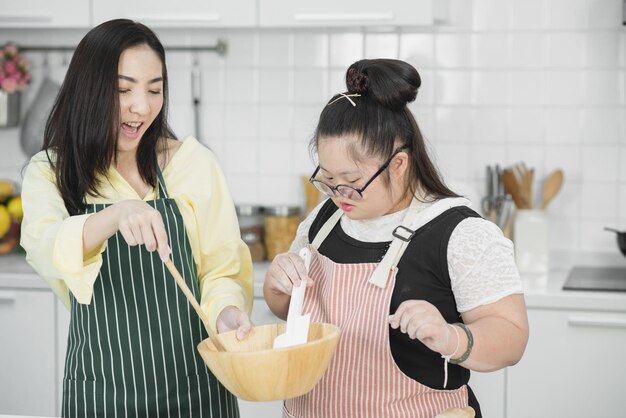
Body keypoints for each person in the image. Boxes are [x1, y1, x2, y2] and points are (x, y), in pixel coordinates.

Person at [263, 58, 529, 418]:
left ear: (399, 164)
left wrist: (451, 337)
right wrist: (278, 284)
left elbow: (511, 338)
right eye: (327, 179)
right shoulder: (323, 219)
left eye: (353, 182)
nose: (340, 194)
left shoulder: (458, 233)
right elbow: (285, 307)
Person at [20, 19, 253, 417]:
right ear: (88, 90)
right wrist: (115, 216)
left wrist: (227, 312)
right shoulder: (51, 172)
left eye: (155, 89)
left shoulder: (193, 163)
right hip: (103, 393)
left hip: (198, 389)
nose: (142, 106)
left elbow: (221, 270)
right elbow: (45, 245)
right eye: (123, 89)